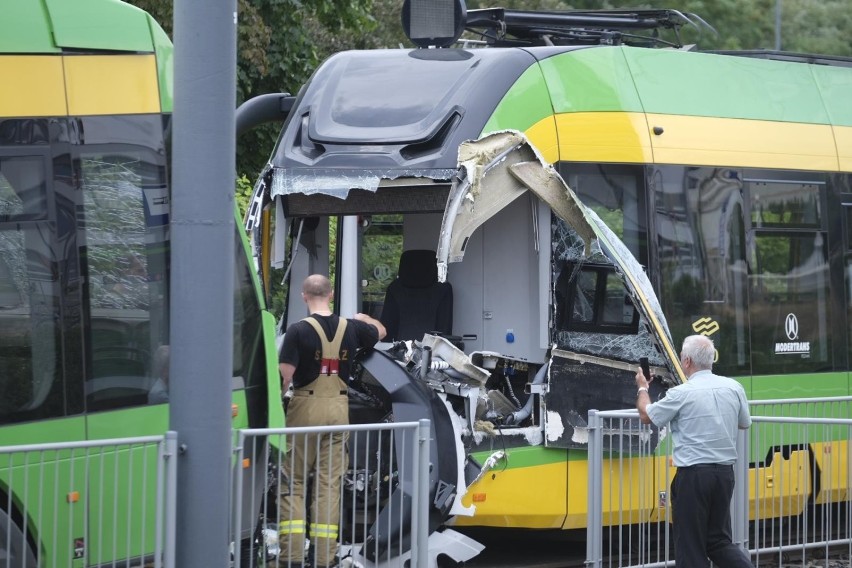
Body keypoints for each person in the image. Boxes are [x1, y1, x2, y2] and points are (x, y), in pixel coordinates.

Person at [277, 274, 386, 568]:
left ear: (303, 296)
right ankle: (324, 559)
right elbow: (381, 331)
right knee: (328, 484)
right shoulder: (351, 328)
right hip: (339, 409)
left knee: (295, 481)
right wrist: (363, 317)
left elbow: (286, 375)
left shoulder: (297, 331)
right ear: (332, 294)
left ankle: (292, 557)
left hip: (305, 408)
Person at [635, 335, 753, 568]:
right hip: (724, 475)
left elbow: (646, 414)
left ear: (687, 361)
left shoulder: (682, 393)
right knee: (718, 541)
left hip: (694, 476)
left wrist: (642, 387)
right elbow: (744, 423)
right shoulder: (734, 387)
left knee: (690, 547)